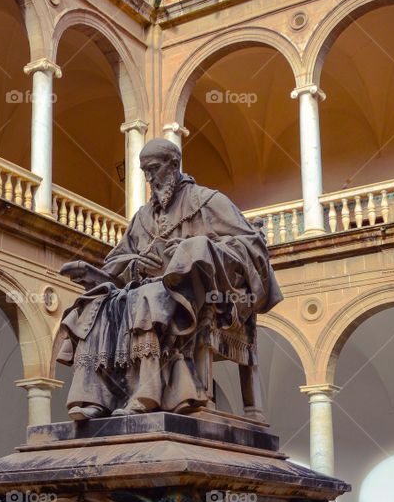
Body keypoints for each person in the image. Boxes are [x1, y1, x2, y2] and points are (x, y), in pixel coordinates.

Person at [56, 138, 282, 419]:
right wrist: (134, 265)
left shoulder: (208, 201)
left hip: (196, 293)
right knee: (96, 304)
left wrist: (195, 251)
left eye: (154, 169)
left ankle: (149, 392)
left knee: (149, 298)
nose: (149, 178)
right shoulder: (143, 217)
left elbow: (252, 247)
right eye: (144, 171)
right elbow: (117, 260)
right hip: (144, 289)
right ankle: (94, 397)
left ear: (174, 165)